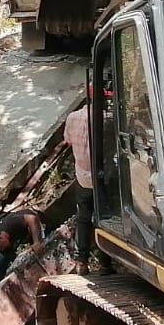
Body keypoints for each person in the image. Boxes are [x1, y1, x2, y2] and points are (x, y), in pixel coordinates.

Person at [64, 100, 93, 275]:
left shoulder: (72, 117)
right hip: (101, 178)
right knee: (106, 217)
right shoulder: (107, 118)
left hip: (82, 177)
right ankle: (106, 262)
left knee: (84, 218)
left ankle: (82, 261)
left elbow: (67, 140)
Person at [0, 206, 45, 287]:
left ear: (0, 238)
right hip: (21, 236)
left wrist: (36, 242)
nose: (3, 248)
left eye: (2, 246)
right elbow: (4, 258)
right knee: (1, 260)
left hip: (33, 224)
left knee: (40, 245)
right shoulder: (3, 243)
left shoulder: (11, 223)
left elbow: (32, 219)